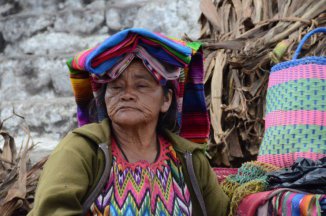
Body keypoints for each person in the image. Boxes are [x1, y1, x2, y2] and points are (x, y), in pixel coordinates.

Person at [28, 28, 229, 216]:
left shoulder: (189, 159)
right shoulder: (81, 150)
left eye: (141, 86)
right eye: (116, 87)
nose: (127, 95)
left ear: (166, 100)